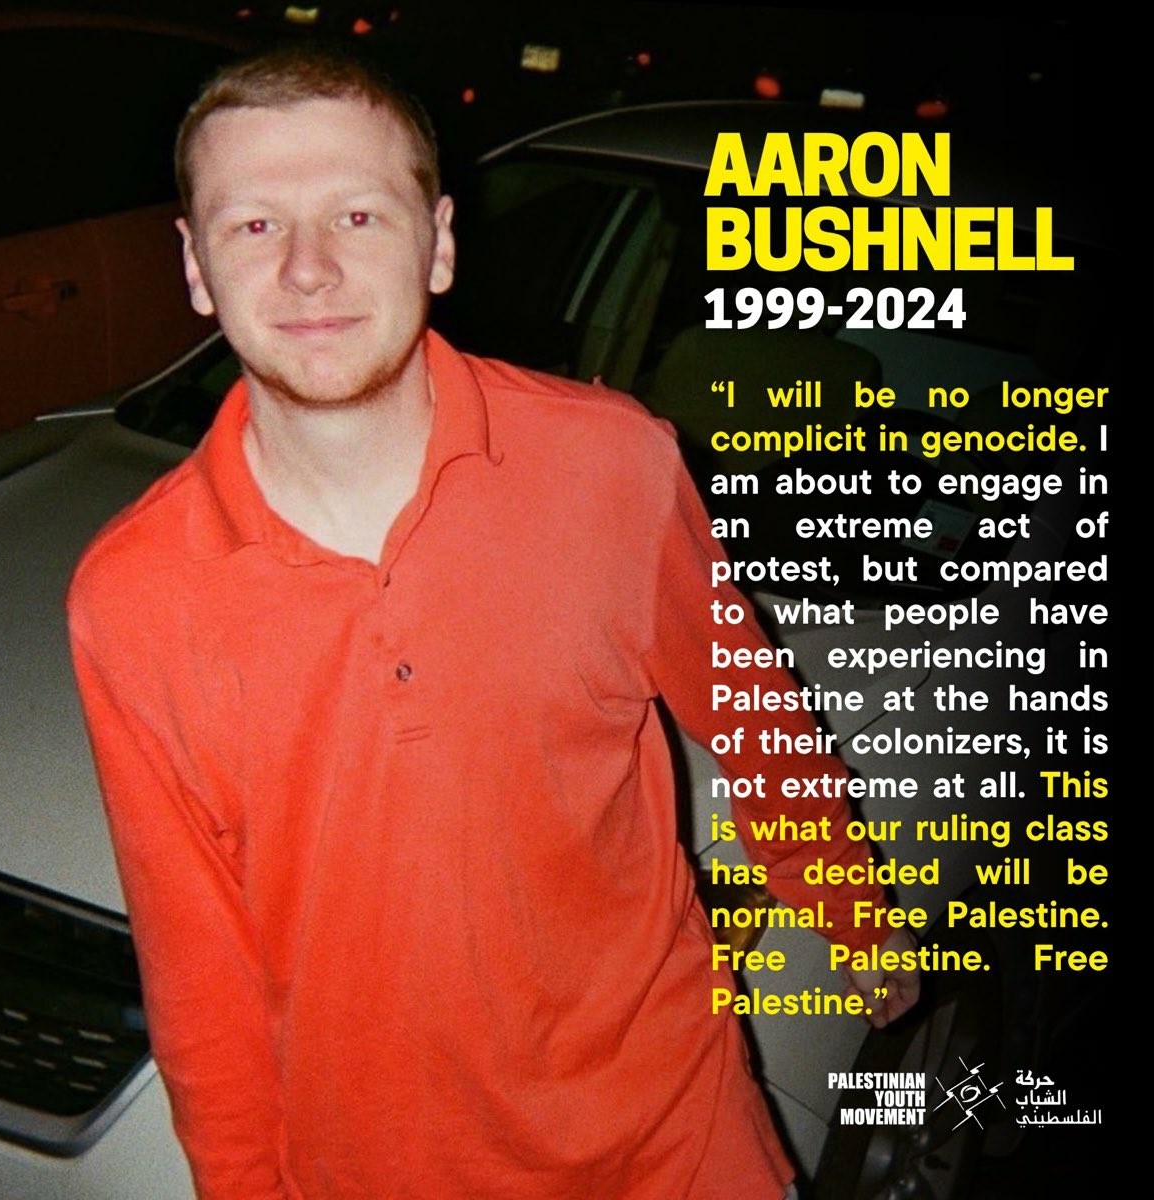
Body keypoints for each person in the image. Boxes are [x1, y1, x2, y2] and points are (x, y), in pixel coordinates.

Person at [67, 47, 917, 1200]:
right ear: (195, 267)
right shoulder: (133, 595)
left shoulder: (612, 467)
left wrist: (856, 920)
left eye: (358, 213)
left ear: (442, 240)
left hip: (670, 1135)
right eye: (256, 225)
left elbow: (752, 712)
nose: (310, 270)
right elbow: (196, 969)